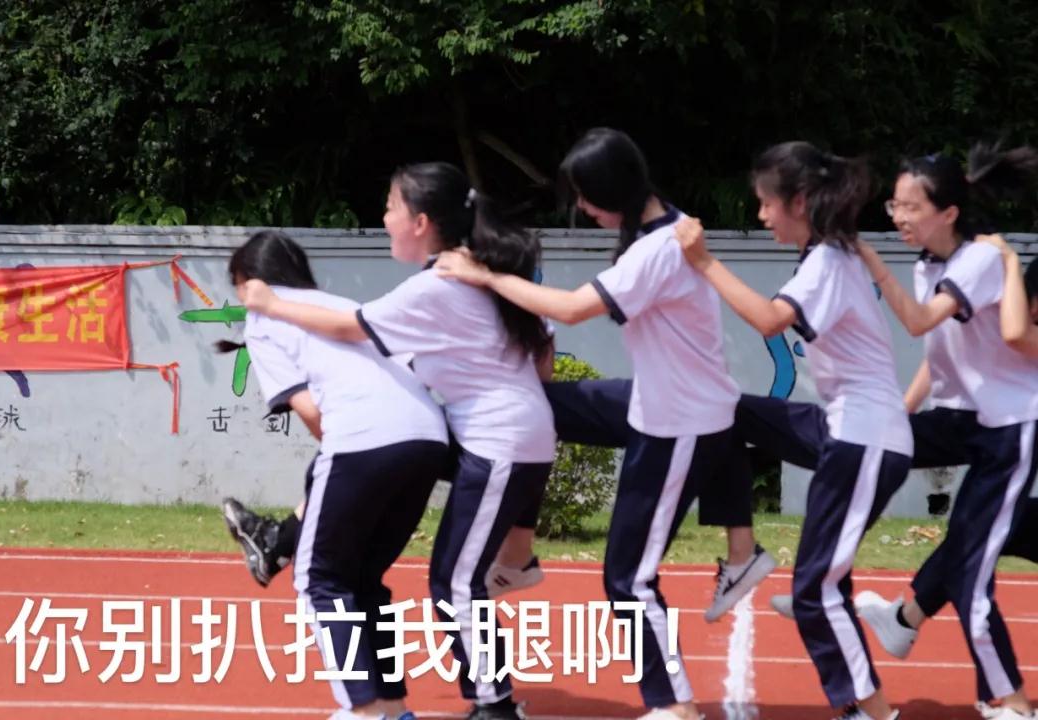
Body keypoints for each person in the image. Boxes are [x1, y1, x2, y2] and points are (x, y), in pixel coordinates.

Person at [437, 127, 776, 720]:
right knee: (533, 408)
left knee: (628, 578)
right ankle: (519, 558)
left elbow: (572, 309)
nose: (583, 208)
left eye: (587, 197)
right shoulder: (664, 226)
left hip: (678, 424)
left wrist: (486, 277)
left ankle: (675, 704)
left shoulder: (656, 251)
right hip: (659, 403)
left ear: (614, 190)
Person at [239, 162, 555, 720]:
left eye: (390, 207)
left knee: (383, 580)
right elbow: (543, 359)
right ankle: (395, 705)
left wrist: (270, 305)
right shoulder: (475, 273)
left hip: (490, 441)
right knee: (391, 579)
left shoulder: (436, 286)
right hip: (473, 437)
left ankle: (466, 707)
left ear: (421, 221)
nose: (384, 218)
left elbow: (353, 328)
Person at [676, 141, 913, 720]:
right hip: (842, 428)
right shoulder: (826, 258)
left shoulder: (829, 261)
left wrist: (704, 262)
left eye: (766, 203)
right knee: (723, 406)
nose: (761, 215)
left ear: (800, 202)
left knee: (815, 592)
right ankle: (742, 555)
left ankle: (873, 712)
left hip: (865, 439)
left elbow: (768, 320)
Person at [839, 146, 1038, 719]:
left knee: (973, 572)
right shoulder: (930, 263)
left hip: (1010, 429)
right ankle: (842, 590)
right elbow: (939, 349)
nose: (898, 217)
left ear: (948, 212)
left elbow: (920, 321)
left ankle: (1013, 702)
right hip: (964, 421)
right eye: (894, 206)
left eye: (910, 207)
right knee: (860, 444)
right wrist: (895, 416)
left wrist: (869, 259)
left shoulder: (980, 260)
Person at [221, 230, 450, 720]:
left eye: (237, 285)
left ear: (249, 281)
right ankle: (395, 709)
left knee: (321, 580)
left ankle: (362, 710)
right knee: (363, 581)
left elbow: (312, 412)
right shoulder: (342, 304)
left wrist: (348, 471)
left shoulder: (264, 317)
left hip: (364, 437)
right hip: (428, 436)